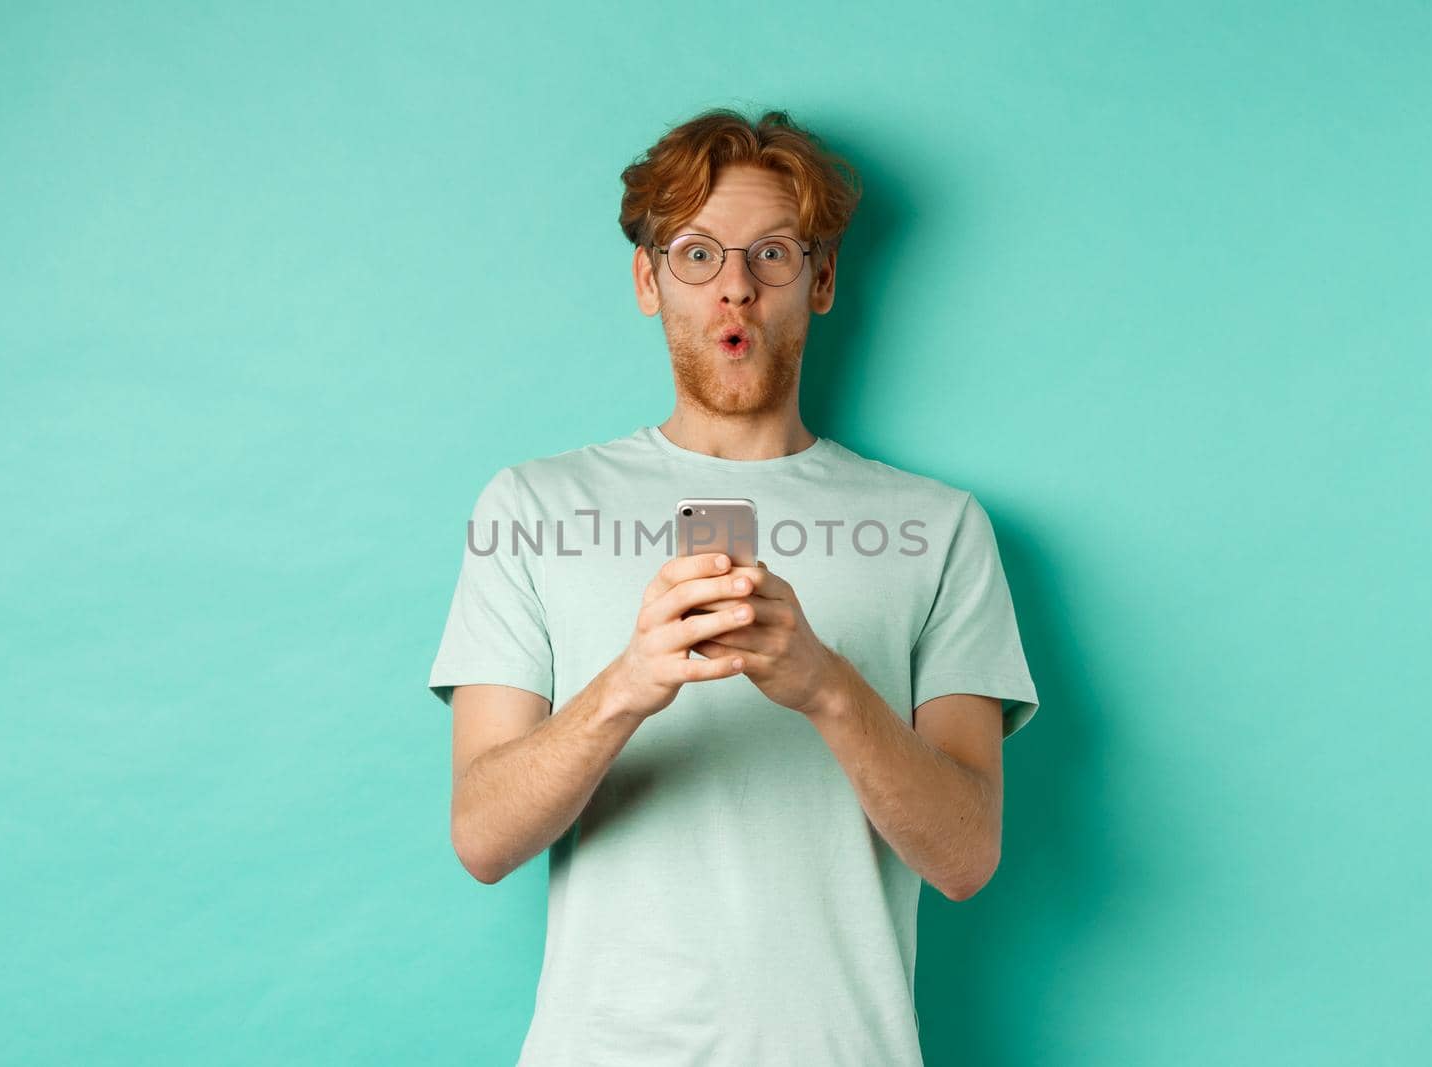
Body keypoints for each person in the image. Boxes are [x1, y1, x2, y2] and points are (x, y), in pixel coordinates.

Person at [427, 107, 1040, 1067]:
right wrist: (628, 684)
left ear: (821, 279)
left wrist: (826, 685)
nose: (736, 290)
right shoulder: (533, 506)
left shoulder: (939, 526)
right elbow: (482, 837)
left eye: (774, 255)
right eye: (698, 255)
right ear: (648, 280)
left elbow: (966, 857)